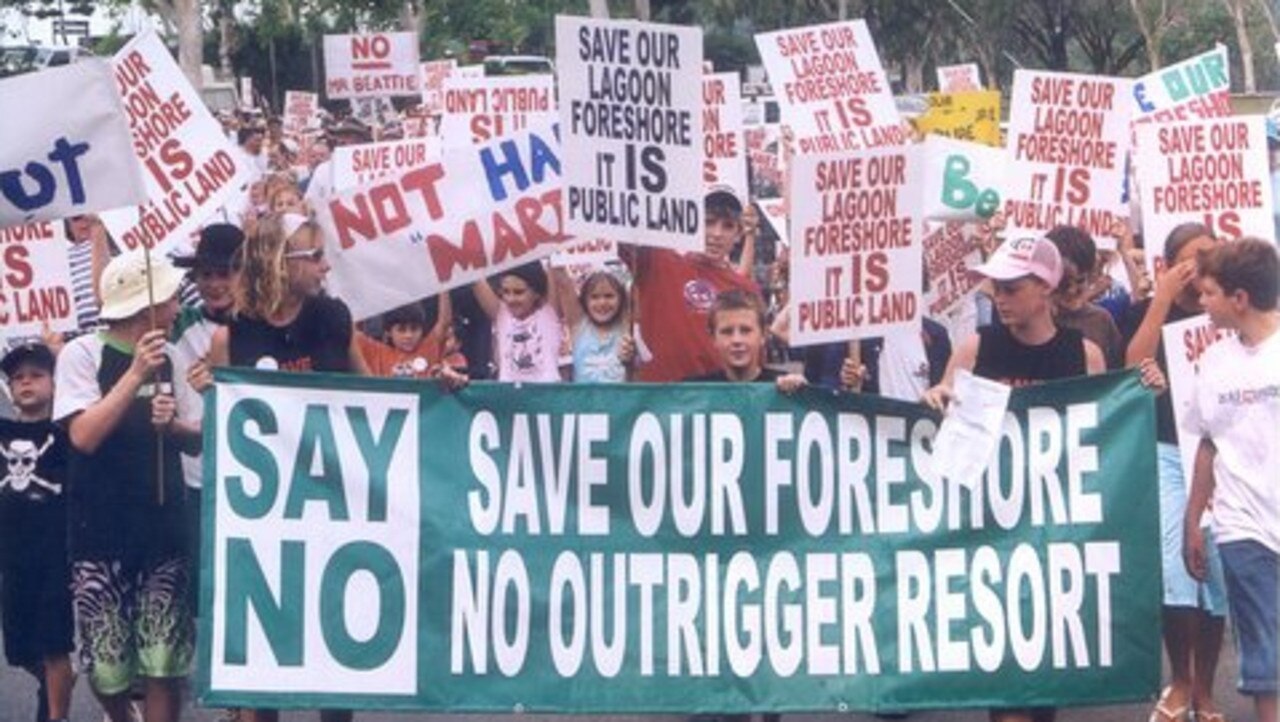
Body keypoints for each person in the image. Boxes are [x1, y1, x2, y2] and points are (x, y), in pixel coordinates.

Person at [923, 235, 1162, 722]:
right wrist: (939, 396)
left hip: (1054, 534)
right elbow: (943, 408)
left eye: (1011, 288)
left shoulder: (1086, 354)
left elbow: (1105, 432)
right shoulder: (975, 347)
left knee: (1042, 665)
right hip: (987, 529)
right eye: (997, 288)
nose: (999, 297)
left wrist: (1143, 393)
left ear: (1044, 288)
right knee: (1006, 669)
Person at [53, 252, 199, 722]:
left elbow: (197, 440)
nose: (178, 307)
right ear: (145, 306)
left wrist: (172, 426)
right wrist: (135, 373)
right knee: (107, 670)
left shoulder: (173, 356)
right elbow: (83, 436)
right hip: (99, 532)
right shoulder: (82, 354)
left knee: (165, 661)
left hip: (163, 530)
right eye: (171, 298)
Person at [1122, 223, 1228, 722]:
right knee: (1176, 572)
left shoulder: (1225, 310)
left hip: (1221, 458)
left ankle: (1205, 688)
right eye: (1190, 258)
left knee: (1216, 575)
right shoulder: (1150, 310)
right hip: (1166, 452)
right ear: (1169, 264)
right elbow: (1131, 363)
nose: (1200, 266)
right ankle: (1180, 680)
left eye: (1209, 255)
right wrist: (1161, 297)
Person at [1184, 238, 1279, 722]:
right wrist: (1193, 519)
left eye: (1209, 293)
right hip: (1242, 527)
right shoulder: (1214, 361)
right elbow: (1208, 443)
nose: (1201, 303)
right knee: (1265, 653)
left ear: (1239, 299)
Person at [0, 343, 75, 722]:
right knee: (20, 649)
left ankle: (55, 714)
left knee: (54, 644)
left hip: (53, 556)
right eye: (17, 378)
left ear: (54, 381)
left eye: (36, 375)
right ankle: (53, 680)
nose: (26, 382)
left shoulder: (65, 433)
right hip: (11, 556)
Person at [209, 213, 367, 375]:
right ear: (279, 262)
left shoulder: (335, 317)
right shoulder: (230, 337)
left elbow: (368, 391)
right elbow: (222, 395)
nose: (326, 266)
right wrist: (206, 389)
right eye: (316, 256)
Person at [630, 189, 759, 382]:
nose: (717, 234)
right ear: (691, 221)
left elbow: (754, 368)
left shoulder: (746, 290)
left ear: (738, 234)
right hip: (662, 403)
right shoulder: (657, 261)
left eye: (728, 226)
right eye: (708, 222)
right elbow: (626, 222)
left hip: (718, 404)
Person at [688, 289, 804, 392]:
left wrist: (803, 394)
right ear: (713, 338)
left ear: (763, 335)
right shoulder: (694, 392)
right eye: (727, 332)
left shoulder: (784, 386)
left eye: (746, 330)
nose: (737, 340)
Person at [1043, 225, 1124, 369]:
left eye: (1080, 281)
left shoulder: (1101, 321)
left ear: (1091, 275)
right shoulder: (1033, 318)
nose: (1071, 290)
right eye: (1063, 283)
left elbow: (1116, 379)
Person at [472, 262, 565, 383]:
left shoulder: (549, 314)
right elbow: (472, 275)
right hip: (511, 398)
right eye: (505, 292)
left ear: (536, 293)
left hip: (546, 397)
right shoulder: (501, 314)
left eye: (519, 292)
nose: (511, 299)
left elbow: (555, 264)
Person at [357, 297, 458, 380]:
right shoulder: (377, 352)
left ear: (422, 330)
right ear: (388, 333)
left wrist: (443, 287)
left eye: (414, 329)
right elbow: (352, 332)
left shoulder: (429, 349)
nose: (408, 335)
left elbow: (445, 322)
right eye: (401, 330)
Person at [563, 269, 634, 383]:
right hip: (583, 400)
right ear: (584, 301)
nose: (602, 303)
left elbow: (639, 286)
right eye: (594, 297)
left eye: (609, 296)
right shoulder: (579, 324)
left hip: (619, 399)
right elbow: (562, 282)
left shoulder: (625, 323)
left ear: (621, 299)